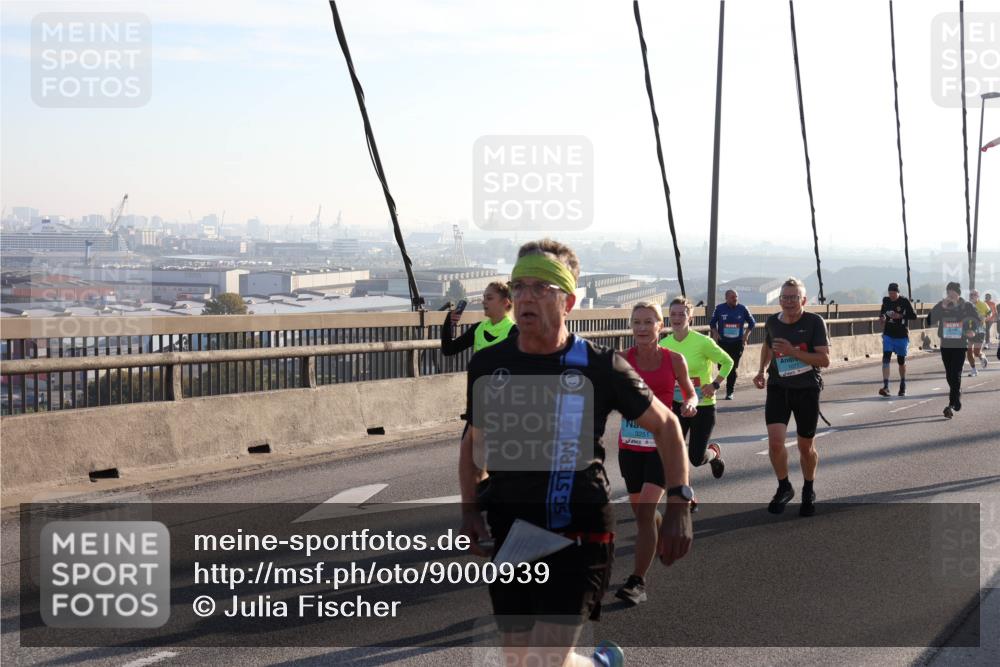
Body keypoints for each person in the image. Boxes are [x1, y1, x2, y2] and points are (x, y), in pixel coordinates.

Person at [459, 239, 693, 667]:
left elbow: (668, 426)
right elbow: (475, 441)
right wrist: (470, 508)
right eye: (520, 286)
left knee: (544, 660)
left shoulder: (600, 366)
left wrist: (678, 502)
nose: (526, 296)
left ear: (567, 300)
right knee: (519, 661)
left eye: (541, 287)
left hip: (580, 529)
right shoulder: (488, 365)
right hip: (513, 528)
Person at [614, 301, 697, 606]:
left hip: (662, 448)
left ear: (660, 326)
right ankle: (659, 533)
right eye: (637, 322)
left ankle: (637, 581)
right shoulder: (621, 360)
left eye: (649, 322)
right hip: (630, 447)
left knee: (646, 511)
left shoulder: (674, 359)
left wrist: (690, 403)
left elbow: (688, 391)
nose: (642, 328)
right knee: (642, 514)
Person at [752, 277, 830, 517]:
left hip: (807, 389)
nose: (788, 302)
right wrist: (762, 370)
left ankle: (808, 489)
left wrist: (792, 352)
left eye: (793, 297)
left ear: (803, 300)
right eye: (784, 297)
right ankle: (784, 486)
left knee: (805, 447)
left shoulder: (815, 322)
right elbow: (768, 346)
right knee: (775, 443)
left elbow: (824, 360)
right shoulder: (773, 322)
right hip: (778, 388)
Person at [661, 297, 734, 480]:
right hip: (677, 406)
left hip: (703, 405)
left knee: (696, 457)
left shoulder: (703, 342)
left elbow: (727, 362)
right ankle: (685, 495)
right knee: (671, 454)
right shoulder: (664, 345)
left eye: (682, 314)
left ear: (690, 318)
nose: (677, 318)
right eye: (673, 314)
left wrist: (715, 384)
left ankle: (714, 454)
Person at [927, 282, 981, 418]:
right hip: (946, 344)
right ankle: (956, 395)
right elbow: (929, 320)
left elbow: (977, 319)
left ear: (958, 293)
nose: (950, 295)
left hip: (959, 344)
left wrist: (972, 331)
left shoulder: (966, 306)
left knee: (955, 373)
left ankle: (951, 404)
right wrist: (941, 307)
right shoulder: (943, 305)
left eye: (953, 292)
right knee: (949, 375)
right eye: (948, 292)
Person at [441, 280, 517, 356]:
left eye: (489, 298)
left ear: (505, 302)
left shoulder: (515, 332)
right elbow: (448, 350)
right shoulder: (478, 328)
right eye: (484, 298)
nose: (483, 302)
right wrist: (448, 321)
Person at [709, 289, 756, 400]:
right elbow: (712, 323)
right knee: (722, 366)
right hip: (723, 343)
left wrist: (746, 335)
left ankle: (730, 391)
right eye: (732, 297)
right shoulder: (719, 308)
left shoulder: (743, 309)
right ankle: (720, 383)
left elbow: (752, 322)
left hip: (737, 343)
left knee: (733, 367)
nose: (735, 299)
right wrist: (716, 334)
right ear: (726, 298)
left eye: (736, 297)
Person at [878, 282, 917, 397]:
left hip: (901, 335)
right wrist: (882, 318)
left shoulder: (904, 301)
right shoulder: (886, 300)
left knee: (901, 361)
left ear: (898, 293)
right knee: (886, 359)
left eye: (894, 293)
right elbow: (882, 313)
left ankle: (903, 384)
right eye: (890, 293)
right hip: (888, 334)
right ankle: (886, 387)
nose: (891, 296)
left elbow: (914, 316)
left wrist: (900, 316)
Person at [967, 290, 990, 375]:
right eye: (970, 295)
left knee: (976, 352)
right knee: (969, 351)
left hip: (980, 331)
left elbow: (990, 314)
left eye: (974, 295)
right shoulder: (968, 305)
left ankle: (982, 356)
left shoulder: (983, 304)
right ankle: (973, 370)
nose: (972, 296)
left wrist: (984, 318)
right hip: (970, 330)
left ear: (978, 296)